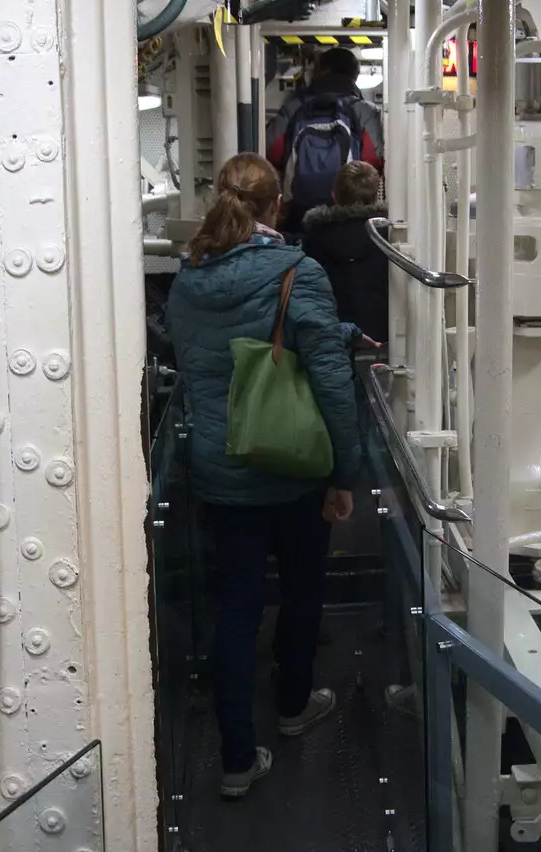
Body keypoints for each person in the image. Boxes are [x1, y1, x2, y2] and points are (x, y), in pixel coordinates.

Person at [164, 152, 361, 800]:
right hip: (291, 468)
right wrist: (343, 470)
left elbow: (196, 354)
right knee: (302, 591)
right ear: (277, 206)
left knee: (236, 607)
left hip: (221, 471)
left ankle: (237, 759)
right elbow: (329, 376)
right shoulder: (296, 272)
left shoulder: (189, 277)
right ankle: (294, 705)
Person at [265, 47, 385, 236]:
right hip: (350, 211)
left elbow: (272, 150)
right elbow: (373, 159)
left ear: (324, 70)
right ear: (353, 76)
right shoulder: (365, 111)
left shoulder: (294, 107)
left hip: (299, 213)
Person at [301, 161, 389, 346]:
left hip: (331, 334)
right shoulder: (388, 235)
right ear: (375, 196)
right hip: (383, 333)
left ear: (334, 195)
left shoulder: (315, 235)